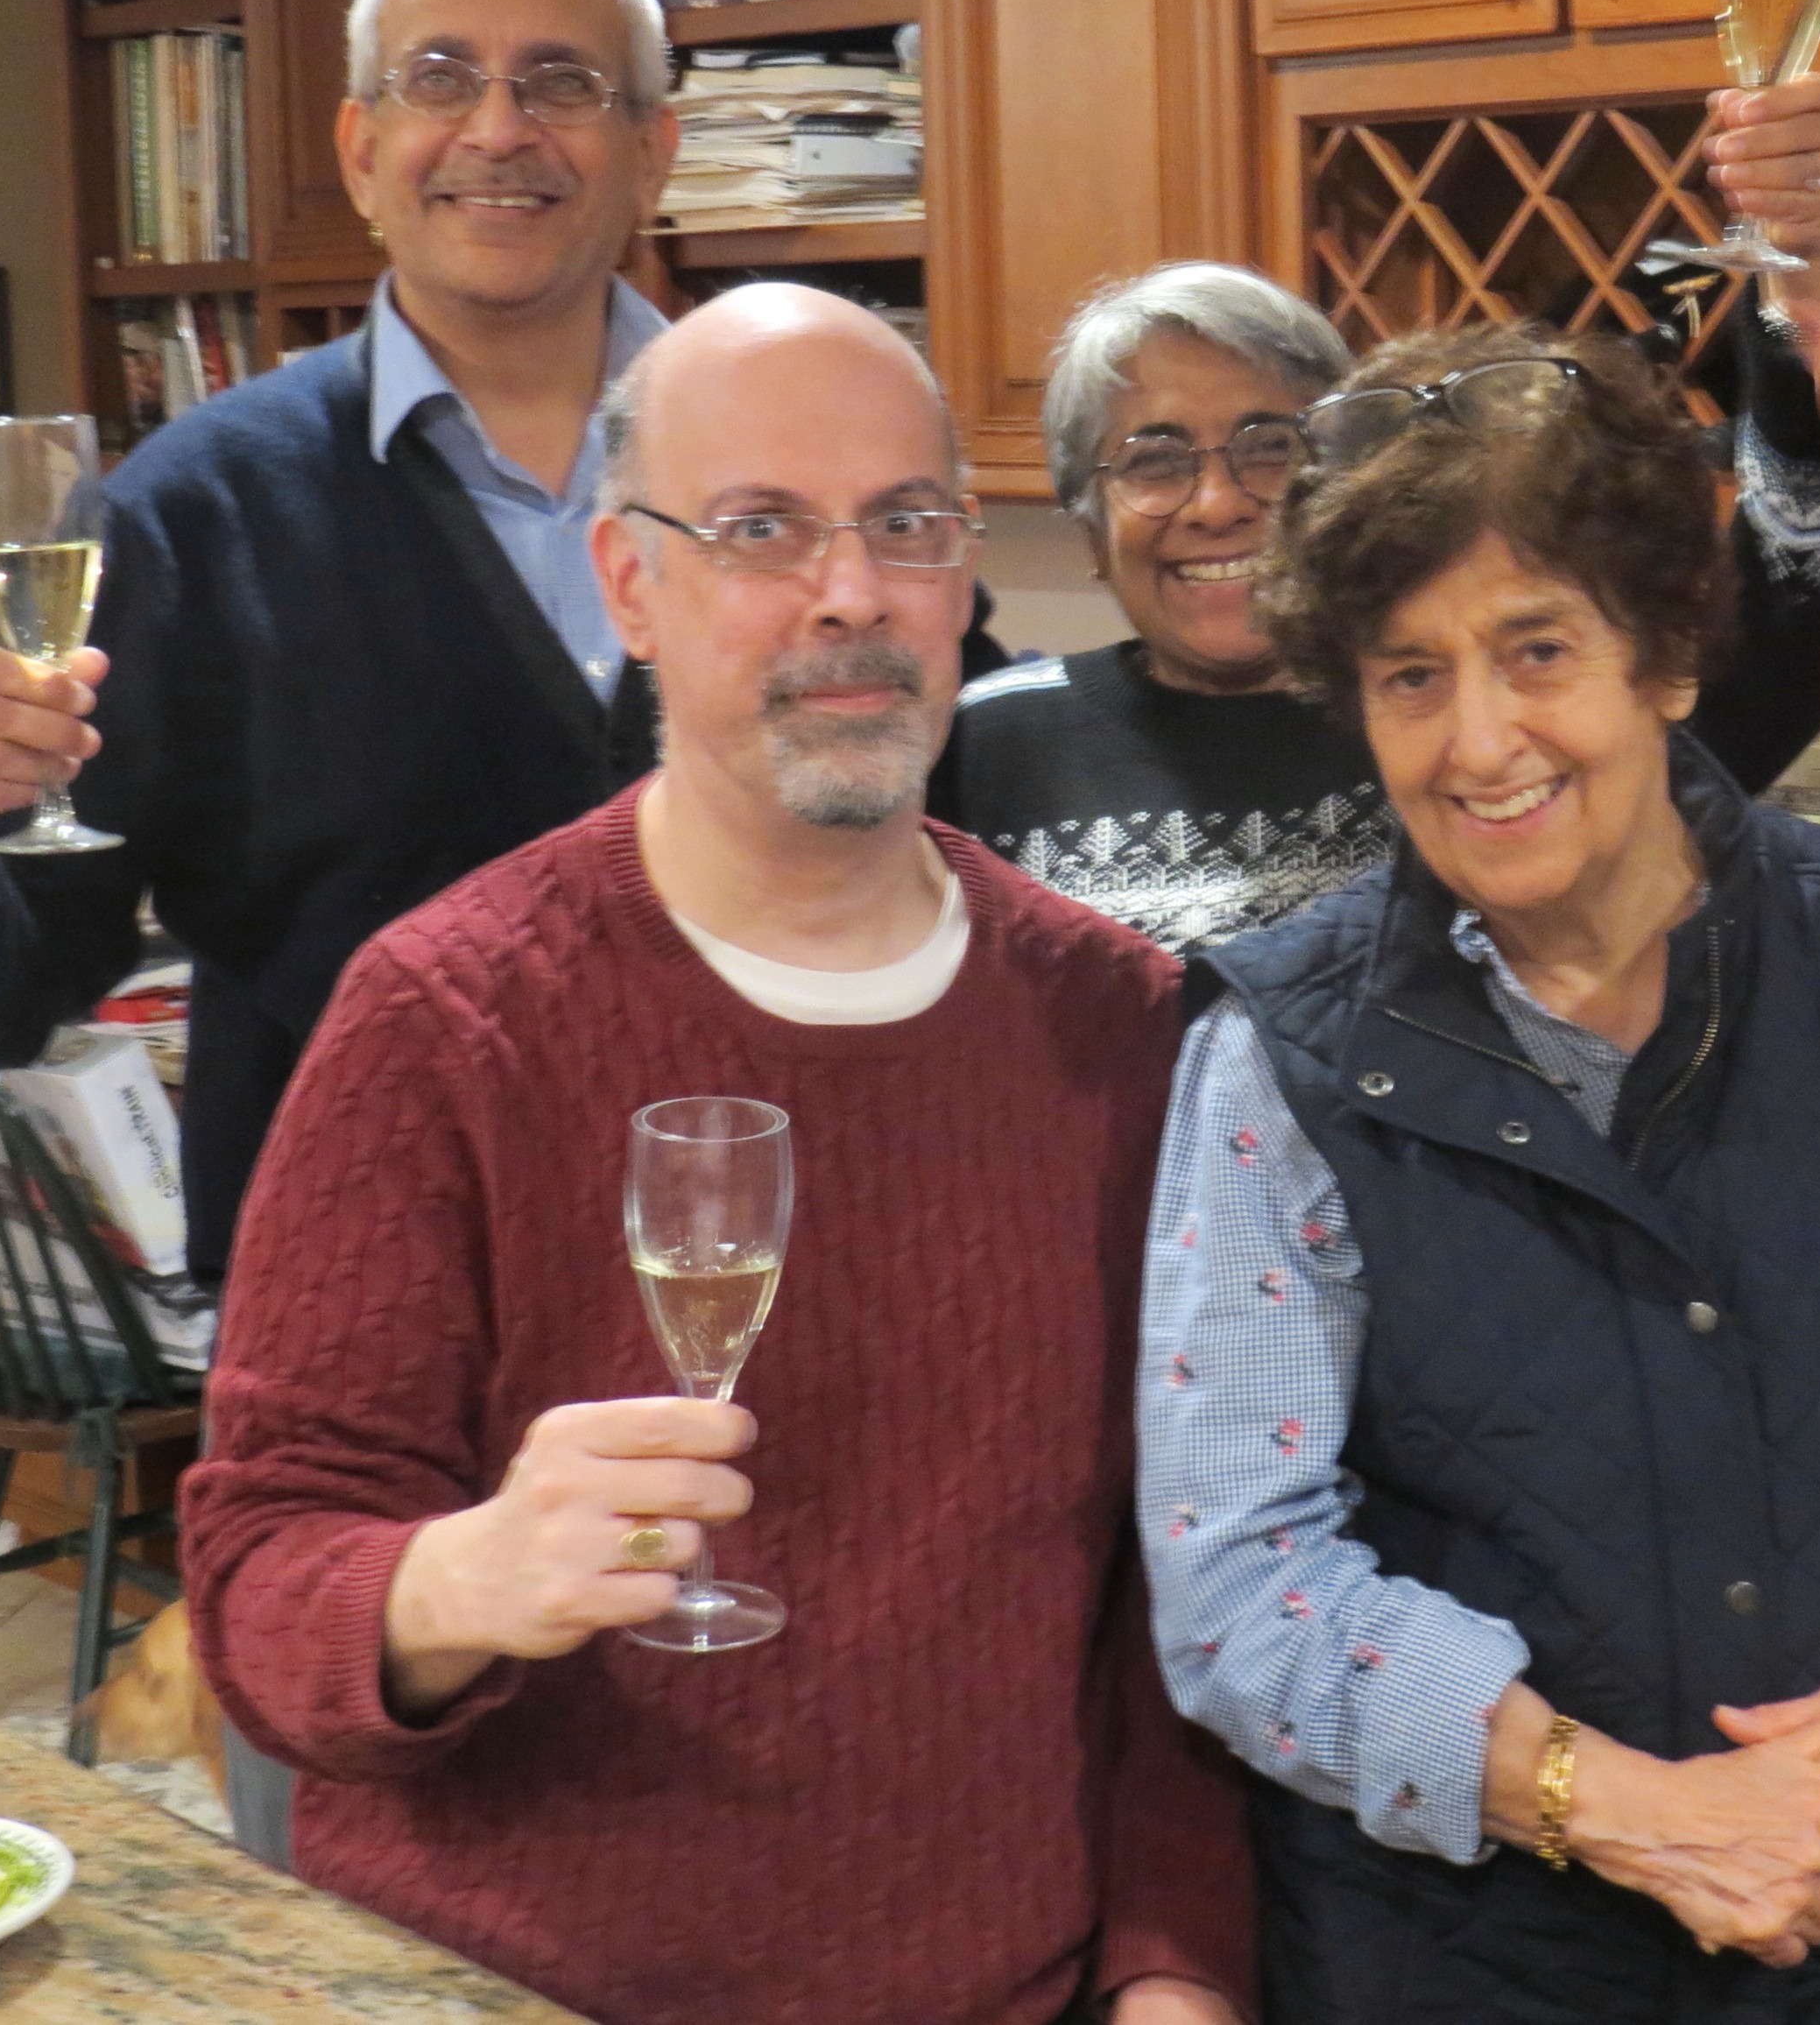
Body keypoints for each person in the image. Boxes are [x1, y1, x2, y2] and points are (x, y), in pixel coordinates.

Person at [178, 286, 1250, 2025]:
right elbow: (256, 1593)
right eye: (761, 530)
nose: (851, 594)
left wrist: (1175, 1975)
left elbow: (1175, 1602)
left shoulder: (1116, 1026)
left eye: (905, 525)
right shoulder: (444, 1021)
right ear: (628, 584)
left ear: (963, 573)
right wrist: (457, 1579)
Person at [1136, 325, 1820, 2021]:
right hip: (1463, 1974)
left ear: (1664, 657)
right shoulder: (1278, 1059)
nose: (1479, 741)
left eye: (1536, 649)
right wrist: (1620, 1810)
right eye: (1409, 675)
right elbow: (1236, 1582)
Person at [0, 0, 683, 1299]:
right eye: (439, 76)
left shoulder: (795, 457)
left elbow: (933, 839)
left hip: (754, 1267)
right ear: (362, 150)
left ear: (652, 150)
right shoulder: (193, 513)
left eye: (561, 81)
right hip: (357, 1310)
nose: (498, 128)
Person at [931, 79, 1820, 949]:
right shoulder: (982, 745)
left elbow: (1815, 523)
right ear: (1089, 522)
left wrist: (1803, 253)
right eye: (1154, 460)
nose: (1217, 503)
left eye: (1269, 445)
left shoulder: (1522, 708)